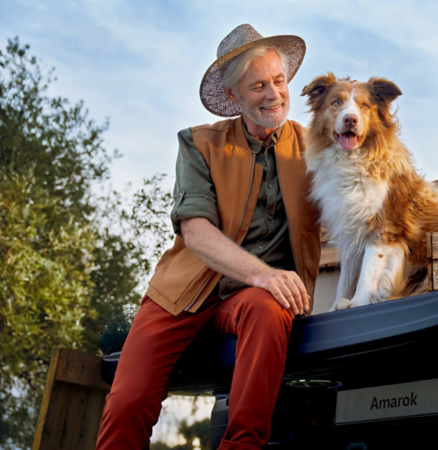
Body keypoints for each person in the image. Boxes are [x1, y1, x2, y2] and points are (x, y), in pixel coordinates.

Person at [95, 24, 321, 449]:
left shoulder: (315, 148)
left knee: (271, 307)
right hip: (181, 294)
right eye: (258, 86)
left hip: (250, 301)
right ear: (234, 97)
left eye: (278, 80)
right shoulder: (198, 143)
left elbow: (357, 195)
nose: (274, 94)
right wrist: (265, 274)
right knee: (128, 402)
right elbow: (196, 230)